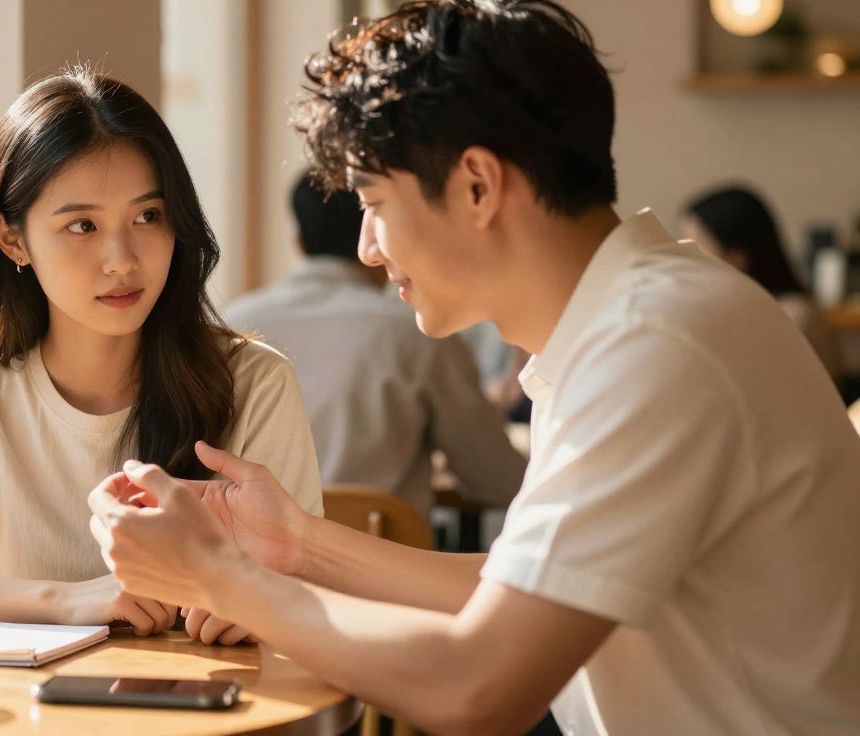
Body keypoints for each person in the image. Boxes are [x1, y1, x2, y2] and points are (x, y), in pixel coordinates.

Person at [87, 2, 860, 733]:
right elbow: (515, 591)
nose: (366, 249)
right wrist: (296, 544)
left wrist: (218, 576)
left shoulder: (654, 345)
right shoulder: (631, 321)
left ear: (479, 186)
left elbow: (476, 689)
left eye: (374, 202)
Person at [0, 68, 323, 646]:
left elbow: (310, 594)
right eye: (82, 225)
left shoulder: (255, 382)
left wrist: (269, 604)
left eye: (148, 216)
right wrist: (63, 601)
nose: (121, 259)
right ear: (13, 239)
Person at [227, 173, 524, 518]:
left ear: (300, 242)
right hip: (379, 544)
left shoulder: (233, 324)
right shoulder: (415, 331)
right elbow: (495, 479)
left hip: (251, 545)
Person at [684, 185, 844, 382]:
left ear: (738, 255)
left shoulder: (793, 315)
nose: (685, 258)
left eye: (696, 244)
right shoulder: (741, 311)